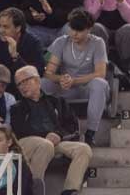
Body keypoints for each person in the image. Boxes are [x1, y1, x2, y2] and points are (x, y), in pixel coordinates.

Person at [9, 64, 92, 195]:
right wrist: (46, 136)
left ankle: (69, 191)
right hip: (27, 144)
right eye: (19, 84)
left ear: (37, 80)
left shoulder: (57, 101)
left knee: (83, 149)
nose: (22, 86)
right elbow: (20, 131)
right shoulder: (16, 108)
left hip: (55, 142)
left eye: (25, 81)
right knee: (45, 145)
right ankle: (33, 189)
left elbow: (73, 126)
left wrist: (59, 135)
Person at [40, 8, 108, 146]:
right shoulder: (61, 42)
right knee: (42, 82)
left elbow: (100, 73)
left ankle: (90, 133)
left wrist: (75, 81)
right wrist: (61, 79)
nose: (74, 34)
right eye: (72, 29)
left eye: (79, 30)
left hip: (85, 87)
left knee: (100, 83)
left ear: (89, 29)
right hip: (65, 87)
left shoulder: (98, 43)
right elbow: (48, 72)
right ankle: (44, 128)